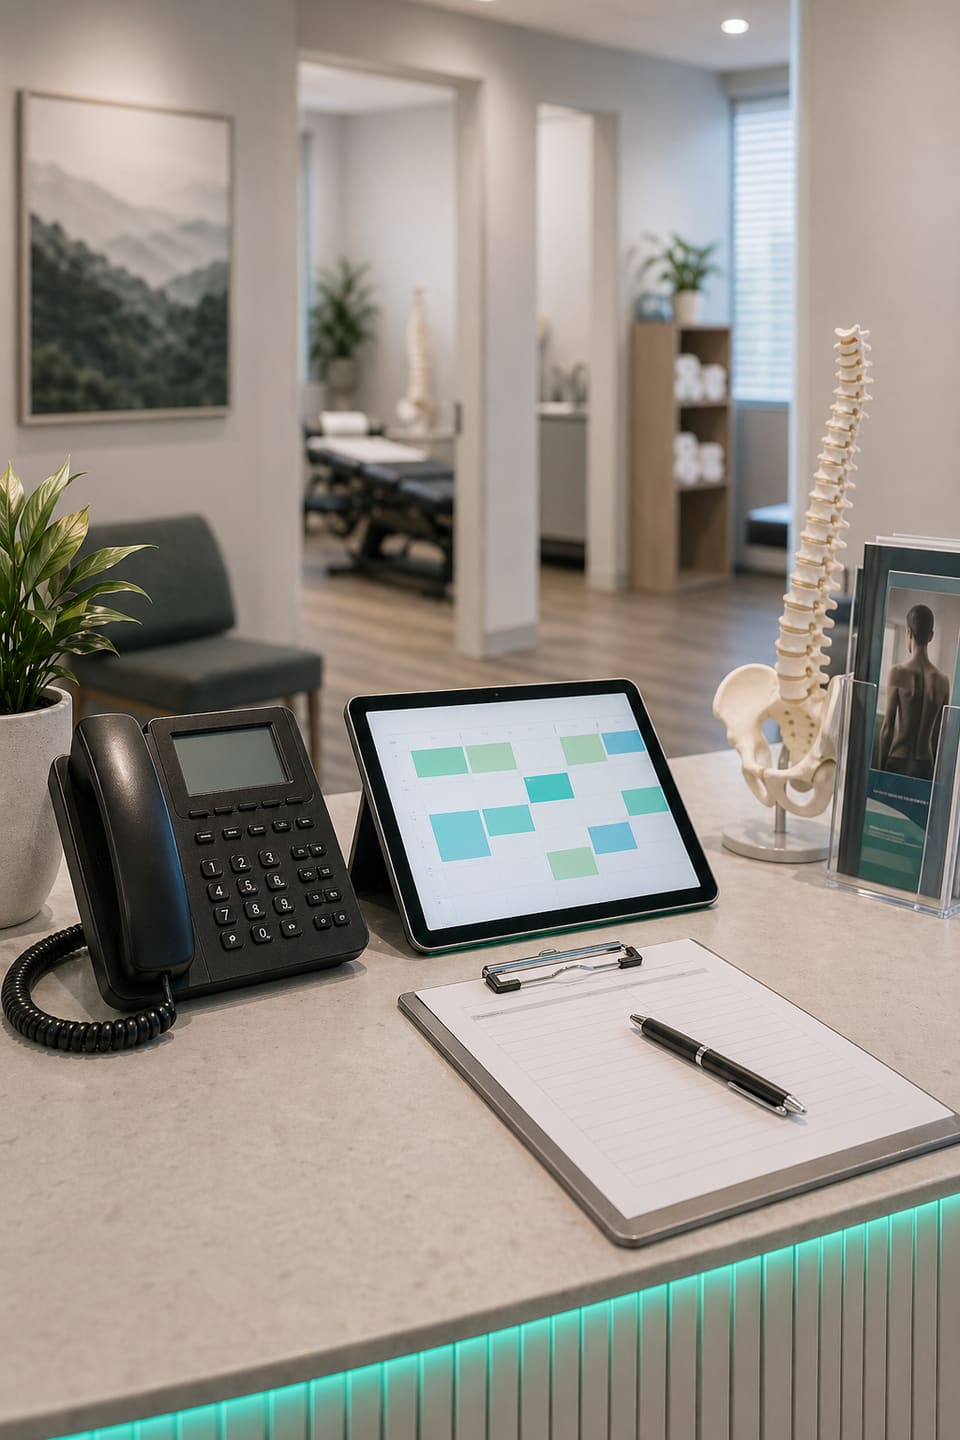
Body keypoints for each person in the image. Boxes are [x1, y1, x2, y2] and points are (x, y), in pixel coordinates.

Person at [877, 603, 950, 781]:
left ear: (908, 632)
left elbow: (887, 729)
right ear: (931, 635)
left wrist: (878, 775)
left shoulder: (897, 673)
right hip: (925, 765)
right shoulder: (943, 681)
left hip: (897, 761)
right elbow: (939, 737)